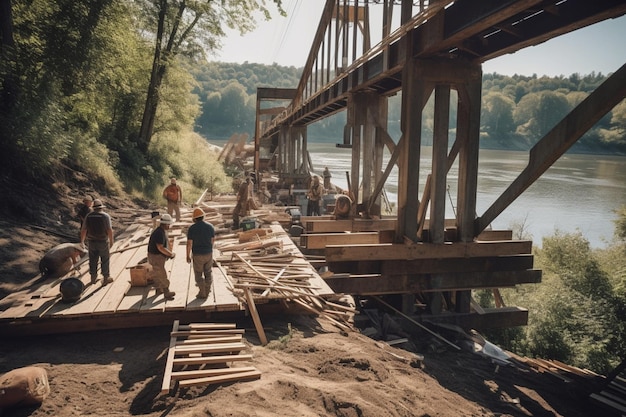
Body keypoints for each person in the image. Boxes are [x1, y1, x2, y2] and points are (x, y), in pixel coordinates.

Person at [80, 199, 114, 286]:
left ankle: (93, 277)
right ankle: (106, 277)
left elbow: (84, 230)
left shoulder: (88, 216)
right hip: (103, 241)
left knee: (93, 259)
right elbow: (109, 230)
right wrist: (111, 241)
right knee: (105, 259)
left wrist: (82, 241)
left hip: (91, 242)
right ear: (101, 208)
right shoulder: (105, 216)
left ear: (93, 208)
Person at [186, 208, 215, 299]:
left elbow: (189, 243)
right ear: (203, 216)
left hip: (197, 254)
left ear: (194, 218)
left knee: (198, 273)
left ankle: (202, 292)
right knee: (208, 272)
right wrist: (210, 250)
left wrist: (187, 255)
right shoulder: (210, 226)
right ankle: (207, 289)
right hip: (208, 253)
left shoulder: (192, 228)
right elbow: (212, 241)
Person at [147, 214, 176, 300]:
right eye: (169, 224)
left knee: (156, 273)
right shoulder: (159, 233)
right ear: (165, 224)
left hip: (154, 255)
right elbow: (160, 247)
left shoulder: (161, 231)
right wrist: (170, 254)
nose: (169, 226)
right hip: (156, 256)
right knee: (161, 273)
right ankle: (166, 292)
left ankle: (159, 289)